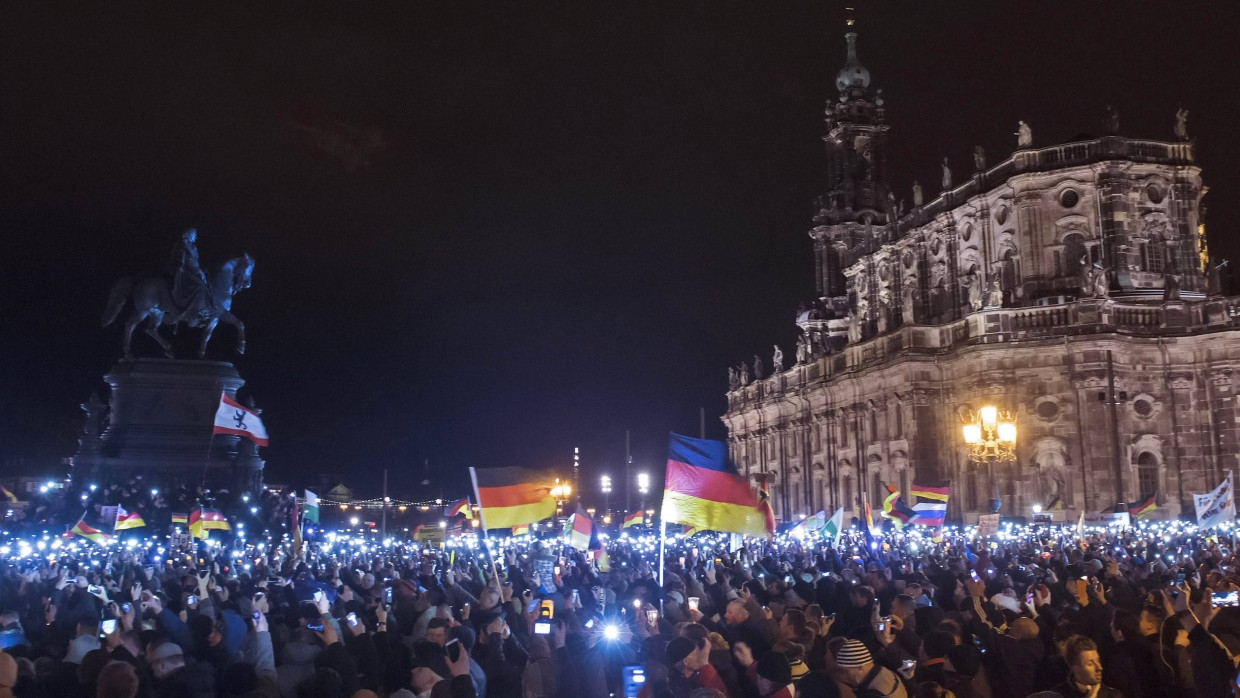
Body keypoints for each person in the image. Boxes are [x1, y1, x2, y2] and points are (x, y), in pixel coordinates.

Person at [1047, 637, 1121, 698]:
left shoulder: (1113, 695)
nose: (1099, 668)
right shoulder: (1057, 695)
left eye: (1098, 660)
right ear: (1075, 668)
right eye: (1090, 664)